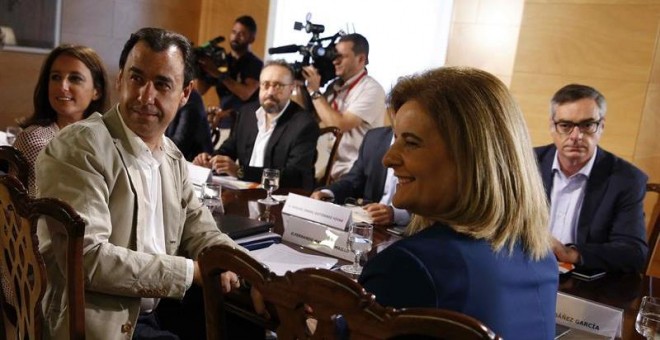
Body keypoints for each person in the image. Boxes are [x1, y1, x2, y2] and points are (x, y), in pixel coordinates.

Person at [36, 27, 244, 339]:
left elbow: (199, 227)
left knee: (242, 326)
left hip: (152, 310)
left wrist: (245, 269)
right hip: (93, 322)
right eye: (136, 78)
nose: (146, 96)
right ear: (120, 80)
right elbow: (87, 260)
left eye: (162, 84)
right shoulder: (80, 147)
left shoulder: (171, 155)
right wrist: (191, 272)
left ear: (186, 93)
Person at [358, 67, 558, 339]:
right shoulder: (542, 256)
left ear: (470, 161)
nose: (388, 158)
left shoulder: (408, 267)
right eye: (395, 139)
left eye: (412, 143)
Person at [535, 84, 648, 273]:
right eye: (565, 125)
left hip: (580, 285)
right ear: (552, 126)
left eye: (587, 125)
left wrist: (571, 253)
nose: (576, 136)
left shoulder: (627, 179)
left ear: (601, 126)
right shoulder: (526, 164)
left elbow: (633, 252)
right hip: (522, 270)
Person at [193, 59, 320, 191]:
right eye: (266, 85)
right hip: (244, 192)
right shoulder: (247, 113)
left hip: (281, 196)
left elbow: (294, 176)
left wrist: (240, 171)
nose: (270, 92)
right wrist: (210, 160)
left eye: (278, 86)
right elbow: (230, 149)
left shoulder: (305, 124)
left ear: (291, 87)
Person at [14, 44, 109, 195]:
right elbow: (37, 211)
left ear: (96, 91)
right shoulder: (35, 140)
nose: (62, 86)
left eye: (75, 78)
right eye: (56, 77)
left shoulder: (108, 141)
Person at [303, 33, 386, 181]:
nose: (335, 61)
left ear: (361, 59)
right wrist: (299, 86)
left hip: (356, 173)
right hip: (330, 171)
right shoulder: (334, 87)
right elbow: (314, 123)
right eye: (334, 56)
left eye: (342, 56)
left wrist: (314, 92)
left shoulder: (371, 89)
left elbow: (339, 125)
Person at [310, 125, 410, 226]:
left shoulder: (423, 140)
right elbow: (353, 181)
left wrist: (395, 214)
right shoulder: (374, 137)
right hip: (367, 225)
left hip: (408, 230)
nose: (387, 160)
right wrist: (328, 193)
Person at [197, 15, 263, 135]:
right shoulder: (221, 60)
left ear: (252, 39)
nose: (236, 37)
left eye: (242, 34)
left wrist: (219, 74)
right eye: (234, 32)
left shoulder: (255, 64)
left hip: (245, 126)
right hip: (221, 123)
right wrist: (201, 69)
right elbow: (200, 90)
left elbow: (245, 94)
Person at [165, 86, 214, 161]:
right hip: (172, 162)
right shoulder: (164, 97)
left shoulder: (190, 98)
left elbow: (179, 146)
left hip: (195, 166)